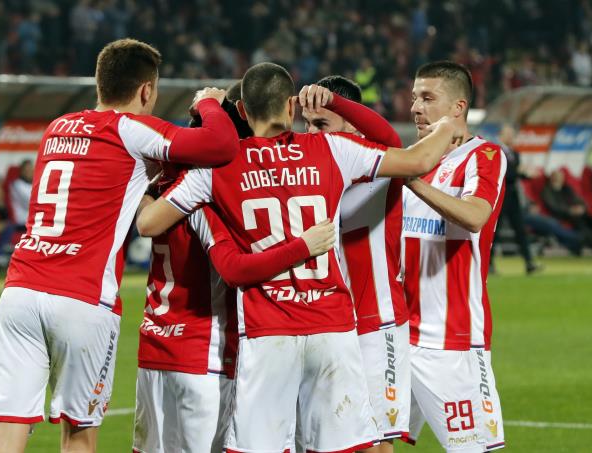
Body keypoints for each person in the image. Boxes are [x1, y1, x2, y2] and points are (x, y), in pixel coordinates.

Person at [137, 62, 462, 452]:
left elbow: (149, 223)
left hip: (268, 331)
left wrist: (206, 111)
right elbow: (418, 159)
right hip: (332, 328)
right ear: (291, 106)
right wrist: (448, 125)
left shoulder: (217, 169)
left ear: (242, 111)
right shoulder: (331, 149)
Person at [0, 38, 239, 453]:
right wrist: (209, 103)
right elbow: (220, 146)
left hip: (20, 291)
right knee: (79, 435)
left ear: (100, 82)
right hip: (82, 298)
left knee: (6, 428)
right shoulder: (131, 130)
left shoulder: (56, 128)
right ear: (146, 90)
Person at [132, 83, 335, 453]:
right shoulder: (211, 191)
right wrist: (304, 245)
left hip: (155, 347)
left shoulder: (166, 182)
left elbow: (145, 223)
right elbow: (234, 267)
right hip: (205, 354)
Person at [301, 75, 409, 453]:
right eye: (307, 124)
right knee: (336, 439)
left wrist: (335, 100)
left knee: (377, 443)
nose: (312, 134)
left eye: (322, 123)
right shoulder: (310, 172)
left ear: (351, 123)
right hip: (331, 323)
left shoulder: (378, 166)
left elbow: (391, 139)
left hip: (377, 322)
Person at [402, 61, 505, 452]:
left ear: (458, 107)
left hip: (451, 341)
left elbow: (476, 216)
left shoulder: (484, 155)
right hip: (396, 332)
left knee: (471, 449)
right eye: (415, 98)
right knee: (371, 442)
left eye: (428, 98)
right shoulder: (412, 158)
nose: (416, 107)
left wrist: (411, 180)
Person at [491, 124, 541, 274]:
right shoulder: (495, 151)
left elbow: (514, 175)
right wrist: (521, 172)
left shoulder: (515, 153)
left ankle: (529, 262)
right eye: (509, 134)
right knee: (494, 231)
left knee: (520, 230)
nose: (511, 137)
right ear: (501, 135)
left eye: (512, 134)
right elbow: (504, 173)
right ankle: (489, 264)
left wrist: (526, 174)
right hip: (500, 197)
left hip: (513, 197)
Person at [541, 169, 592, 255]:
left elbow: (578, 199)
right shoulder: (547, 191)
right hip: (564, 216)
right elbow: (553, 207)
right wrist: (569, 210)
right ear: (551, 178)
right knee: (583, 227)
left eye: (560, 177)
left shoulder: (567, 188)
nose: (558, 179)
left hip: (578, 214)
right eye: (556, 176)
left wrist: (581, 207)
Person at [9, 159, 34, 231]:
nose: (29, 172)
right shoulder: (17, 184)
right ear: (21, 171)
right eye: (26, 170)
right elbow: (30, 204)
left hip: (34, 221)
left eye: (31, 170)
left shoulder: (34, 184)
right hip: (22, 221)